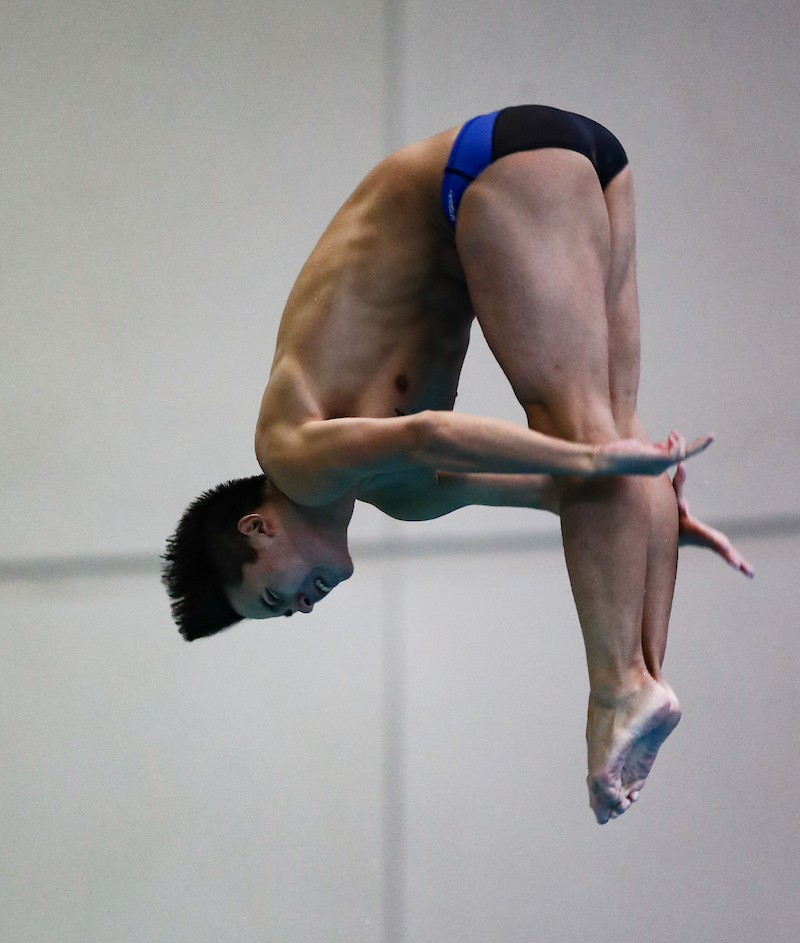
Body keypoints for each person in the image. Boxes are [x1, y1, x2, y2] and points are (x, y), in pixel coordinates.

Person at [163, 105, 752, 823]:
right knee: (619, 450)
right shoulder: (407, 500)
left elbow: (430, 435)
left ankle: (613, 689)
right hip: (592, 165)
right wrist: (659, 514)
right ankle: (645, 681)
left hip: (483, 173)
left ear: (258, 529)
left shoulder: (292, 454)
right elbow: (567, 488)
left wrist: (588, 455)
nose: (306, 605)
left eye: (275, 597)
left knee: (585, 433)